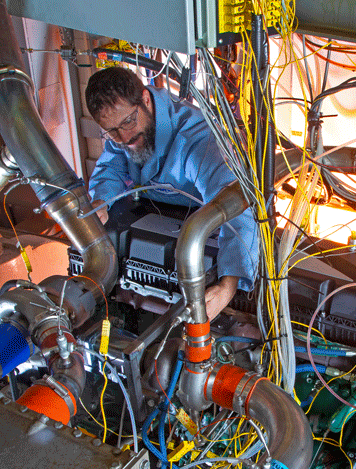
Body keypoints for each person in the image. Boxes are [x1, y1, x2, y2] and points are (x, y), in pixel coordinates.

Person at [85, 66, 258, 320]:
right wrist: (101, 201)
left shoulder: (197, 140)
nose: (123, 138)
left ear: (145, 100)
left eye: (128, 123)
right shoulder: (124, 128)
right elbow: (111, 166)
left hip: (206, 221)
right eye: (111, 131)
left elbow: (238, 204)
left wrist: (227, 287)